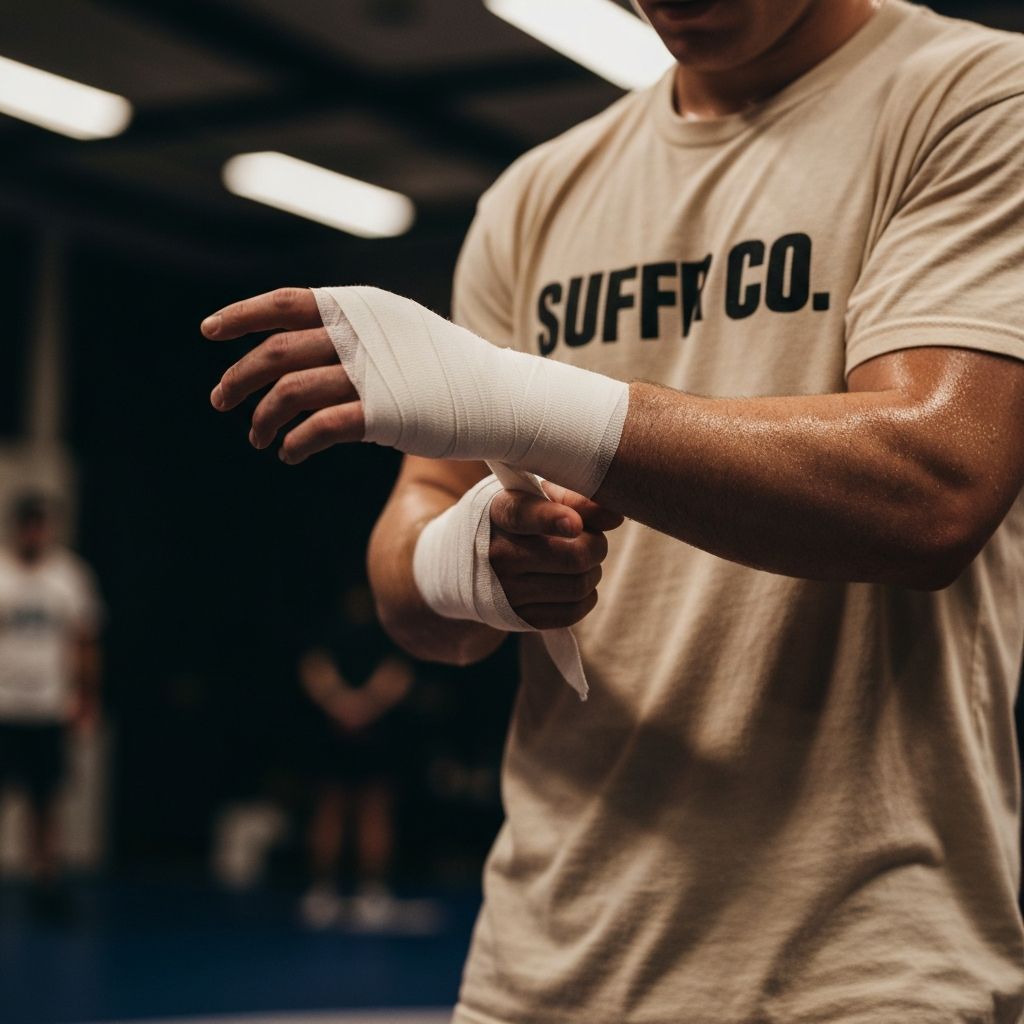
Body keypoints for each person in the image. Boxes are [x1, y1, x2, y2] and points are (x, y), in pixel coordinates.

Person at [204, 0, 1024, 1019]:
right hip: (539, 961)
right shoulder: (538, 194)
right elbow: (412, 575)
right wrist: (471, 563)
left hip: (857, 969)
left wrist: (530, 401)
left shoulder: (972, 94)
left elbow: (933, 488)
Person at [0, 492, 102, 916]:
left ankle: (44, 879)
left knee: (46, 799)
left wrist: (85, 697)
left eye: (40, 525)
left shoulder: (69, 576)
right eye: (28, 524)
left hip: (48, 706)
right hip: (4, 706)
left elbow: (84, 641)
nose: (34, 533)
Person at [298, 584, 414, 930]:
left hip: (369, 730)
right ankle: (325, 890)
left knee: (372, 808)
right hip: (340, 730)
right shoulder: (329, 626)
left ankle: (369, 891)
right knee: (332, 806)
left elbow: (397, 672)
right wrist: (346, 705)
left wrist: (360, 706)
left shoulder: (389, 625)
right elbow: (314, 666)